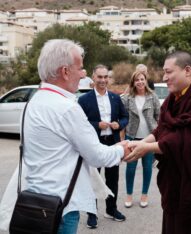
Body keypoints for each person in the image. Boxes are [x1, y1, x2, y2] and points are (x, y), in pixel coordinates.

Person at [21, 39, 130, 234]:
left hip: (35, 201)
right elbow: (97, 156)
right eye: (80, 68)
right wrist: (124, 148)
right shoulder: (67, 108)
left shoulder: (35, 101)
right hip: (60, 208)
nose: (84, 74)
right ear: (65, 71)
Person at [124, 51, 191, 234]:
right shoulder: (173, 98)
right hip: (179, 183)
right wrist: (141, 142)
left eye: (168, 72)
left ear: (187, 70)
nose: (164, 77)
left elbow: (184, 139)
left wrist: (147, 149)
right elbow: (162, 129)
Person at [78, 65, 129, 228]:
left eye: (106, 77)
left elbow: (125, 117)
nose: (103, 80)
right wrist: (96, 124)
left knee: (113, 179)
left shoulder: (115, 97)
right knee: (93, 179)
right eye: (99, 77)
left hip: (112, 143)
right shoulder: (84, 100)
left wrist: (118, 124)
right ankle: (91, 213)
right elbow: (79, 123)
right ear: (93, 77)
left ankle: (111, 209)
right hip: (94, 144)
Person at [121, 71, 160, 208]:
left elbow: (158, 116)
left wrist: (158, 134)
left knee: (147, 167)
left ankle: (144, 195)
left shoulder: (152, 96)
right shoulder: (127, 98)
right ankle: (129, 195)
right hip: (132, 137)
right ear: (133, 82)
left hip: (148, 139)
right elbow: (123, 117)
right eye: (137, 80)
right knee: (130, 168)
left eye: (142, 79)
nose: (140, 82)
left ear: (145, 80)